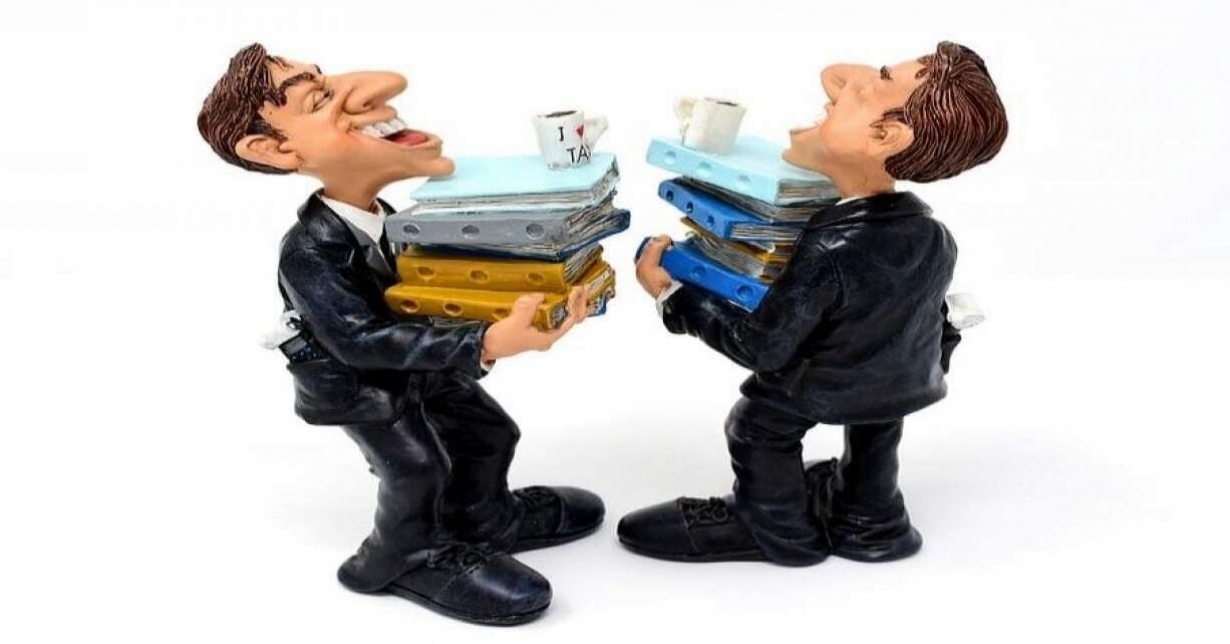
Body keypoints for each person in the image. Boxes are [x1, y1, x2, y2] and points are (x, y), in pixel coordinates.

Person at [197, 43, 603, 625]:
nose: (369, 94)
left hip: (417, 362)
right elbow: (359, 341)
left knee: (489, 433)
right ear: (276, 149)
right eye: (319, 98)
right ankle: (400, 557)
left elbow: (430, 287)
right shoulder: (308, 253)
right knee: (417, 467)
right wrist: (484, 342)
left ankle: (481, 520)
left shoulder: (389, 218)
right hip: (361, 386)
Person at [623, 41, 1008, 566]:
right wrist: (869, 95)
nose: (837, 87)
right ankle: (871, 520)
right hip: (904, 379)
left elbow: (762, 347)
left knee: (758, 425)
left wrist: (674, 297)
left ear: (884, 136)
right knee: (876, 428)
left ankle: (775, 527)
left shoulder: (831, 247)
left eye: (874, 82)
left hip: (833, 384)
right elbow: (925, 314)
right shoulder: (934, 235)